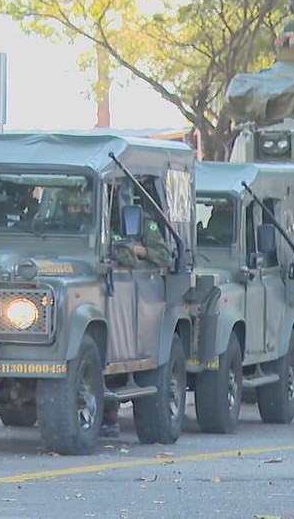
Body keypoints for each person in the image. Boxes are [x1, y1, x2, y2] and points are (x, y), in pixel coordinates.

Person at [101, 185, 174, 438]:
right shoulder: (81, 216)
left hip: (136, 293)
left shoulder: (139, 220)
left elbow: (163, 256)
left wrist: (139, 250)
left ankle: (109, 416)